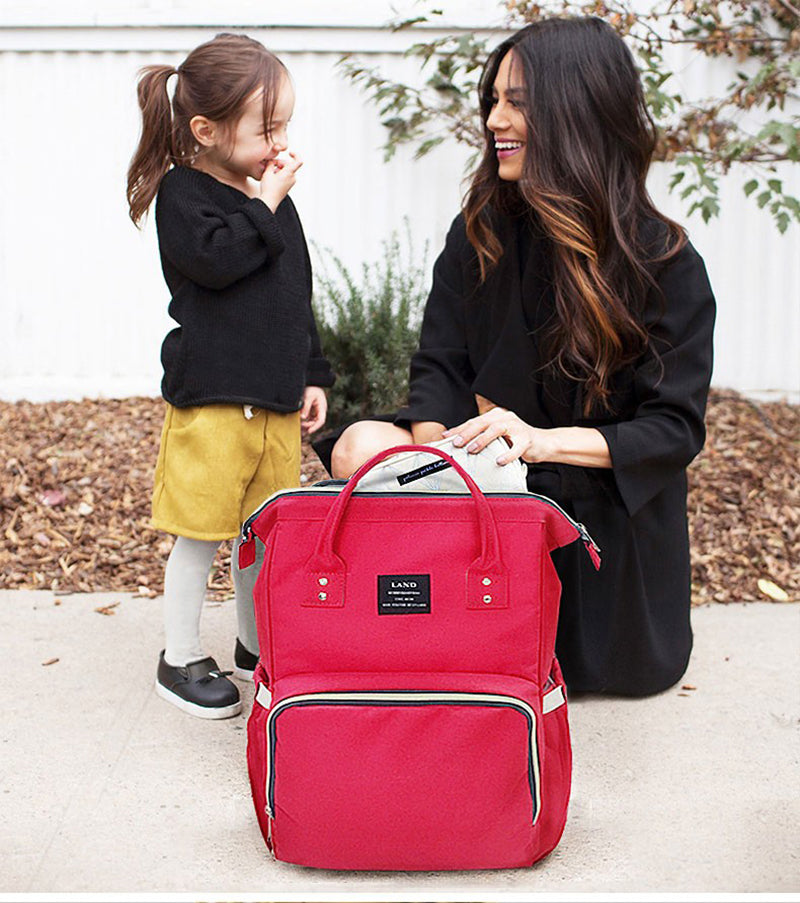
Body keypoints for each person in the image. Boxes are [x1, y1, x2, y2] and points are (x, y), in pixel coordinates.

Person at [320, 17, 716, 696]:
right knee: (358, 445)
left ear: (577, 111)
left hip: (593, 507)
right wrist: (445, 470)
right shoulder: (481, 230)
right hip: (487, 481)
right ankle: (436, 584)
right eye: (494, 101)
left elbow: (673, 431)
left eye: (518, 102)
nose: (495, 119)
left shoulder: (665, 263)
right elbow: (439, 364)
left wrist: (536, 442)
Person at [126, 33, 334, 718]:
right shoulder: (184, 196)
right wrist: (266, 201)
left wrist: (313, 372)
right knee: (201, 533)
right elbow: (219, 262)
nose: (279, 142)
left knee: (263, 532)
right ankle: (179, 656)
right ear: (206, 130)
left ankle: (255, 644)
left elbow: (294, 291)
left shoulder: (266, 199)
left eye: (284, 126)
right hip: (214, 403)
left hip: (273, 405)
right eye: (265, 128)